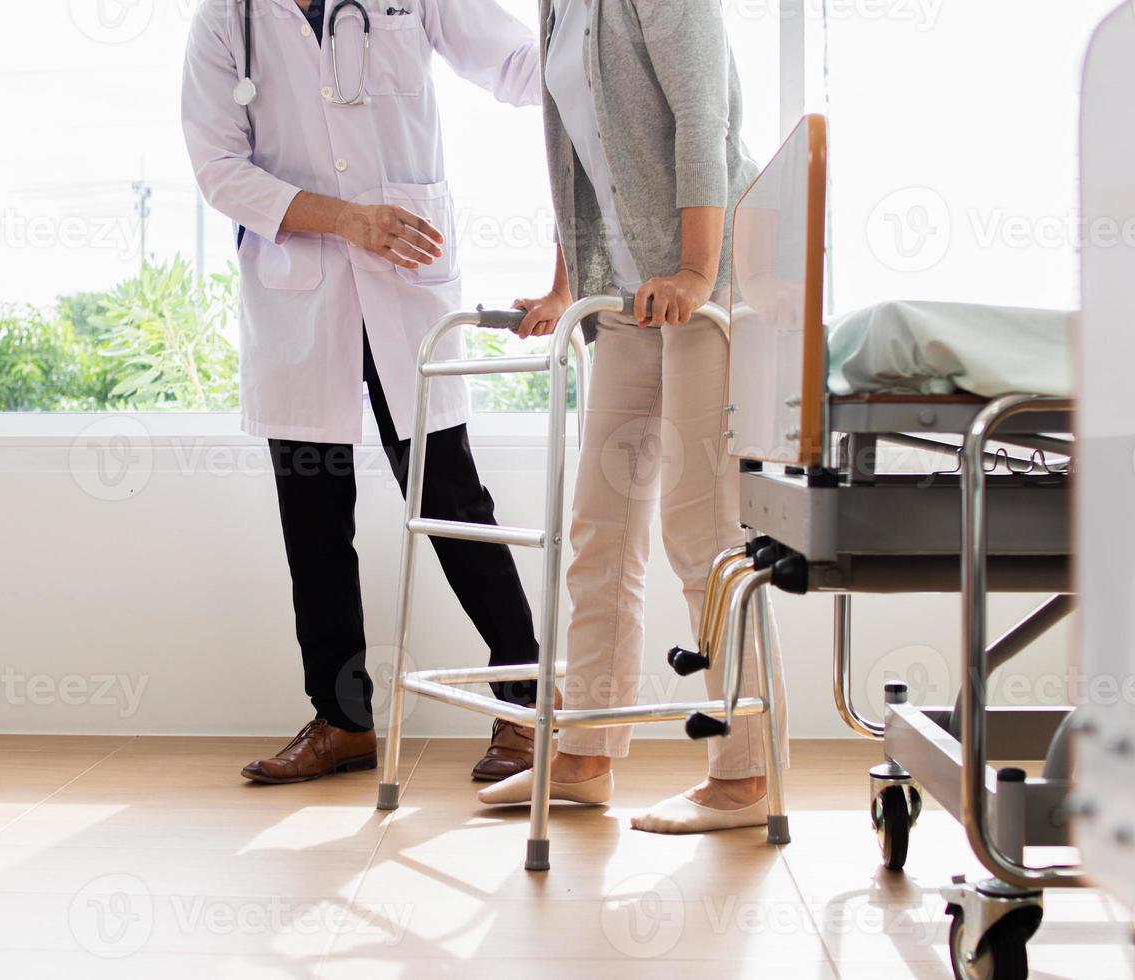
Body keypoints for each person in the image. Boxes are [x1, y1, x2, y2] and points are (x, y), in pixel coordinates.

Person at [182, 0, 548, 784]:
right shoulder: (227, 18)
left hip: (405, 276)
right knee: (313, 516)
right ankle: (342, 721)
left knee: (451, 499)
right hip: (300, 291)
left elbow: (516, 61)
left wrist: (598, 65)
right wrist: (345, 219)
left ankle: (523, 705)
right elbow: (217, 168)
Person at [477, 0, 791, 833]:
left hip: (706, 288)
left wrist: (694, 270)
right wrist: (564, 281)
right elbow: (574, 154)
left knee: (702, 530)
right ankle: (585, 751)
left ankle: (744, 773)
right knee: (600, 529)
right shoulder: (557, 9)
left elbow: (703, 119)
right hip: (624, 298)